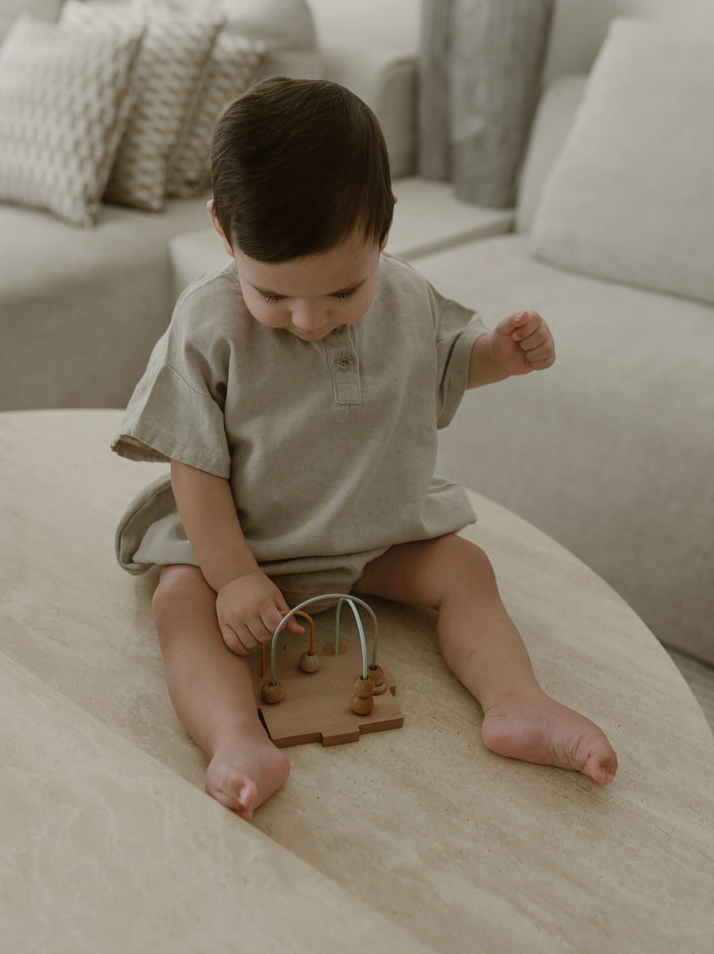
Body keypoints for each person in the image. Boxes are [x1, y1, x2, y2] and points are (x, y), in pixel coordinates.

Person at [112, 77, 617, 821]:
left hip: (372, 532)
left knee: (466, 568)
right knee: (179, 601)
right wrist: (236, 577)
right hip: (244, 543)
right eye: (275, 297)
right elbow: (194, 464)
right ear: (225, 234)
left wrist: (497, 358)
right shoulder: (207, 325)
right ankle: (233, 738)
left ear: (384, 229)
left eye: (343, 294)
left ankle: (517, 702)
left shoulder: (408, 295)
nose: (311, 319)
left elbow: (445, 363)